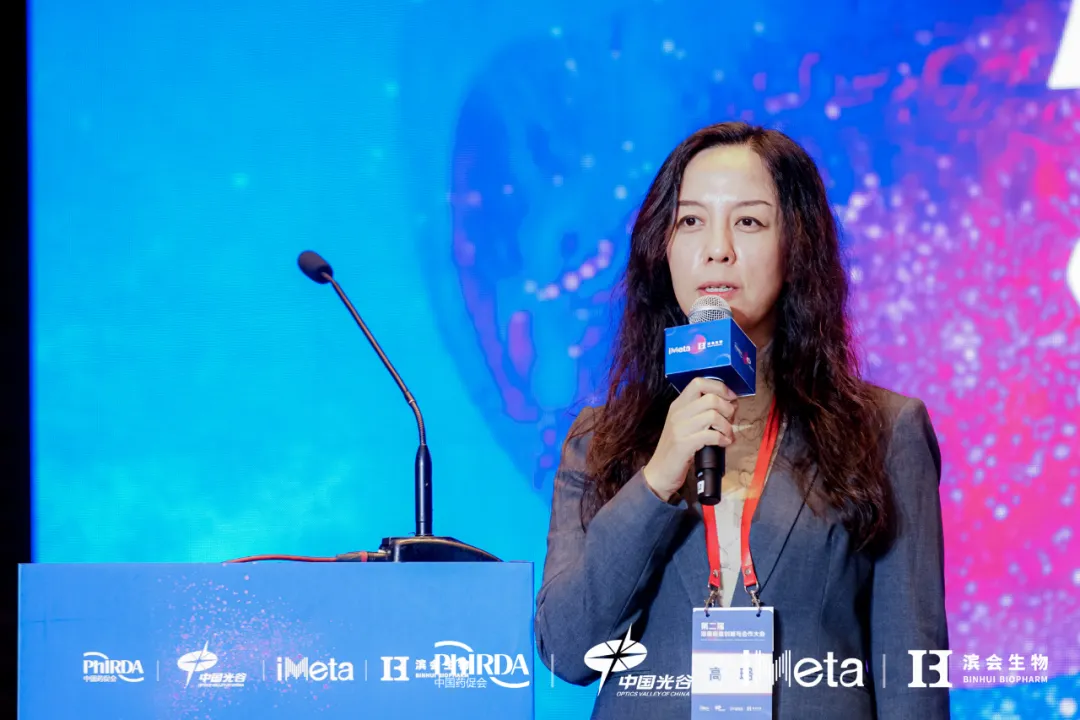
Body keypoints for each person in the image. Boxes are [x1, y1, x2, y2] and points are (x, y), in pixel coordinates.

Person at [535, 121, 949, 719]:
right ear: (662, 249)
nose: (717, 248)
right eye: (690, 221)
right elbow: (568, 649)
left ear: (796, 247)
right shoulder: (600, 441)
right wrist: (657, 479)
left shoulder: (886, 431)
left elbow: (913, 673)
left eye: (749, 222)